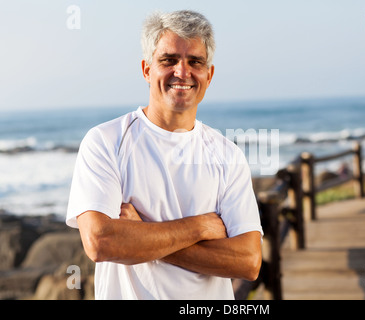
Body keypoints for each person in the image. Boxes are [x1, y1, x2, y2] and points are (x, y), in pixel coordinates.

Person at [66, 10, 263, 300]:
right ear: (147, 69)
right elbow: (101, 242)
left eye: (195, 62)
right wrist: (201, 227)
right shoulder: (106, 142)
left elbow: (248, 262)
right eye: (168, 60)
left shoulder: (227, 155)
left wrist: (142, 235)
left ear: (209, 75)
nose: (182, 72)